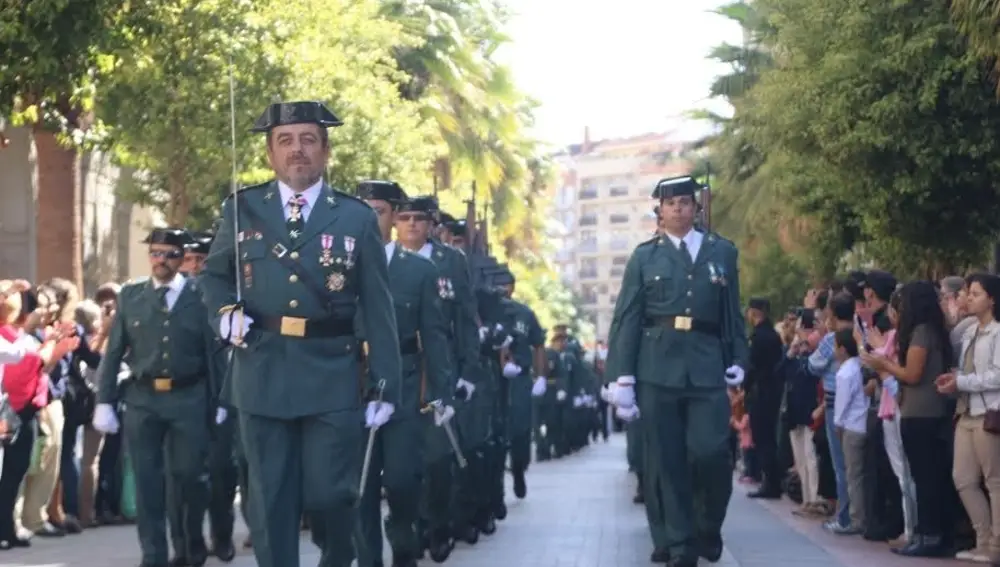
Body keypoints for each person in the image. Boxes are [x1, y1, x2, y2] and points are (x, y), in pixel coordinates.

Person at [199, 101, 402, 567]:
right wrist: (224, 313)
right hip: (262, 370)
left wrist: (386, 385)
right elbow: (214, 277)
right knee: (269, 504)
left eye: (308, 140)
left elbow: (378, 305)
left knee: (334, 494)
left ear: (326, 150)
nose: (297, 151)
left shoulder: (354, 217)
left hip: (332, 373)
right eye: (285, 141)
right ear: (271, 153)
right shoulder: (241, 208)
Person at [605, 175, 748, 567]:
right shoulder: (644, 256)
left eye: (685, 202)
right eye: (671, 204)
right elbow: (628, 318)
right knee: (666, 462)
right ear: (660, 211)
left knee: (711, 453)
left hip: (706, 365)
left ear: (696, 208)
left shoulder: (723, 252)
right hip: (657, 367)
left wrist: (739, 358)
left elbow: (731, 313)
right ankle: (681, 544)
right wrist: (622, 376)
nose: (678, 209)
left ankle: (708, 525)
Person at [91, 228, 224, 567]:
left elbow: (215, 354)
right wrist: (104, 400)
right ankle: (154, 555)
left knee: (190, 477)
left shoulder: (201, 295)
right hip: (143, 398)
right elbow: (115, 351)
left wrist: (223, 399)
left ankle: (190, 544)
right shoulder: (132, 295)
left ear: (182, 258)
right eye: (155, 253)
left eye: (168, 254)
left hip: (189, 397)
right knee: (148, 482)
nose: (160, 260)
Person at [355, 182, 455, 567]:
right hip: (354, 384)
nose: (369, 219)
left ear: (393, 216)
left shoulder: (419, 270)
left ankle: (403, 544)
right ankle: (368, 560)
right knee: (360, 485)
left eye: (377, 211)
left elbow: (435, 336)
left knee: (401, 479)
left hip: (406, 383)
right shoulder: (341, 267)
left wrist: (441, 392)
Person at [935, 273, 1000, 563]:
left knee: (994, 480)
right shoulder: (971, 331)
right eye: (968, 293)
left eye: (975, 293)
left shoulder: (997, 333)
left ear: (992, 299)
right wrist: (955, 379)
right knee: (963, 478)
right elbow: (967, 371)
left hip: (989, 413)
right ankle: (982, 539)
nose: (969, 298)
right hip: (966, 411)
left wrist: (962, 382)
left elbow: (996, 376)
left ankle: (996, 546)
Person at [743, 298, 784, 499]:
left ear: (754, 312)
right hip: (773, 391)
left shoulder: (758, 337)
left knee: (763, 438)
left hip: (761, 392)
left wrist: (744, 388)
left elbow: (752, 367)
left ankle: (770, 483)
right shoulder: (774, 336)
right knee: (769, 437)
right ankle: (772, 481)